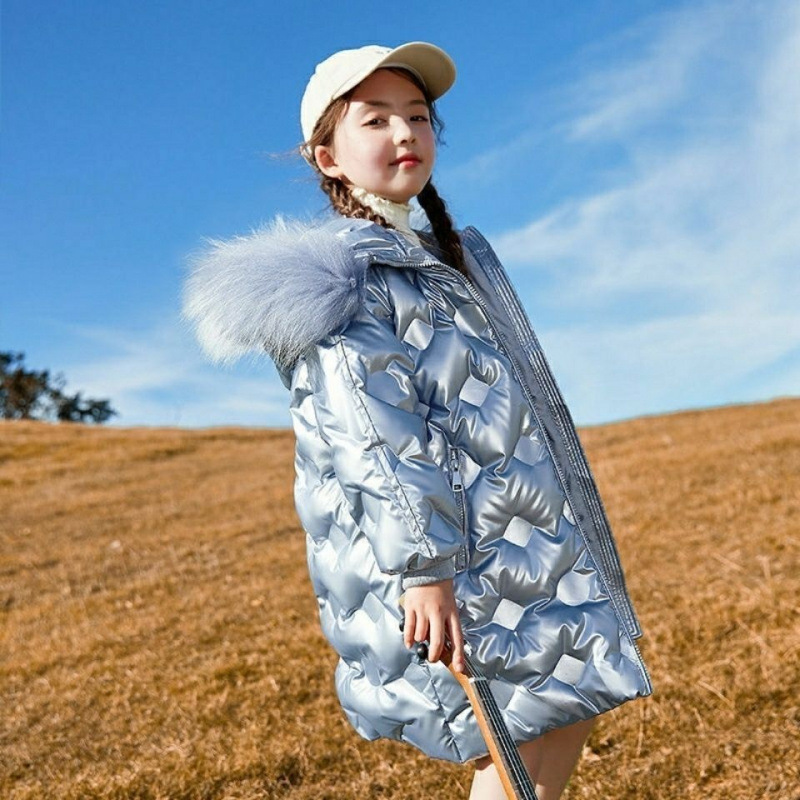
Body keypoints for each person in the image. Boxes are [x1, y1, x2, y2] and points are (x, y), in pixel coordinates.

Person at [181, 41, 653, 800]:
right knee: (510, 744)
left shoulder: (441, 260)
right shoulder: (344, 278)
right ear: (328, 158)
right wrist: (425, 571)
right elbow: (374, 438)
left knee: (570, 705)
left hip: (518, 542)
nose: (405, 133)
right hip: (440, 558)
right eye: (375, 120)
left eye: (418, 116)